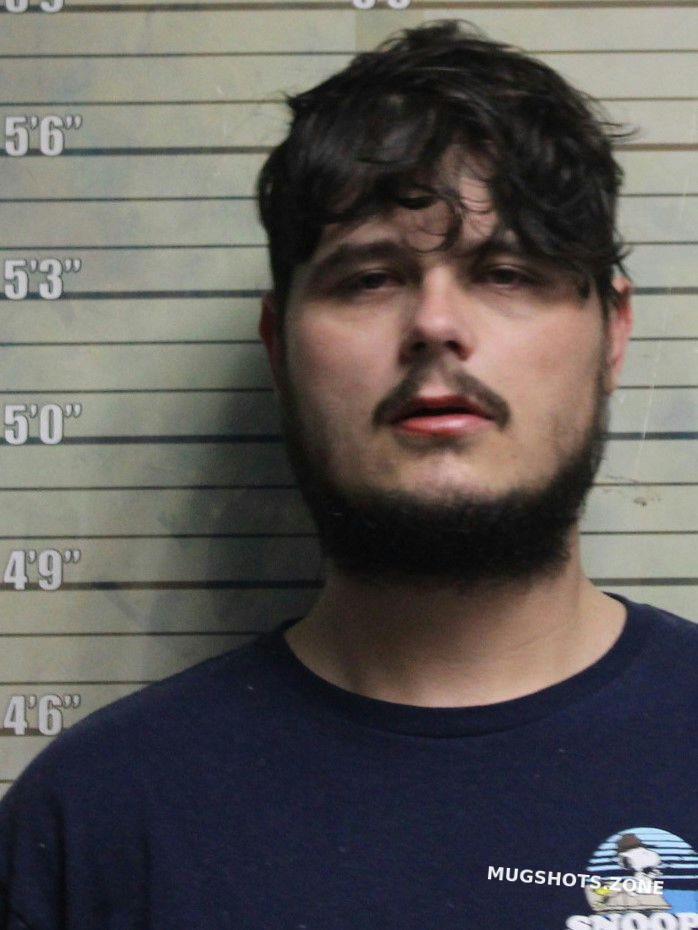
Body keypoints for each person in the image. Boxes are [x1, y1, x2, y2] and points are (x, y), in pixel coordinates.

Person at [1, 20, 696, 930]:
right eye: (369, 278)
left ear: (612, 333)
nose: (435, 324)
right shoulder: (91, 825)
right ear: (278, 346)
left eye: (507, 271)